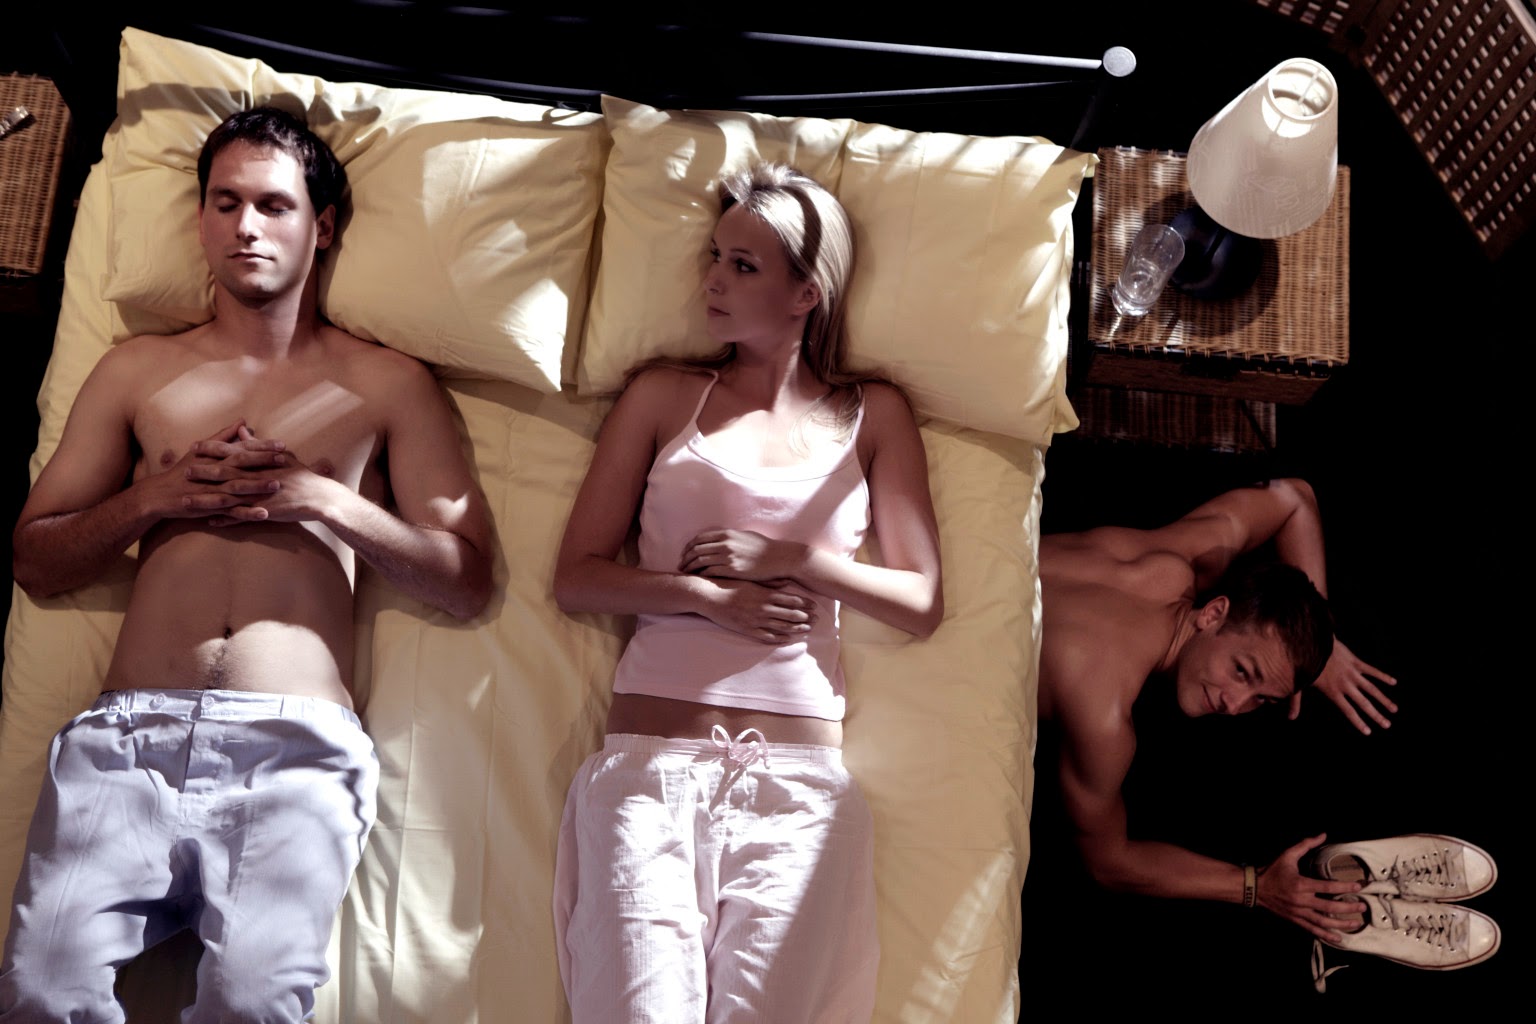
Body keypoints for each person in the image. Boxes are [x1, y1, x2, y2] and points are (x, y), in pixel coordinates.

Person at [0, 107, 493, 1020]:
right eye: (225, 204)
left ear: (323, 226)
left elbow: (464, 578)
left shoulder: (387, 382)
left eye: (273, 205)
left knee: (255, 1003)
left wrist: (327, 502)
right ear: (200, 221)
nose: (246, 227)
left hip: (296, 755)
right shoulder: (136, 370)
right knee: (38, 994)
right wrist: (154, 498)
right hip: (128, 745)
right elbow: (34, 558)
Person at [551, 163, 942, 1022]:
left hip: (797, 791)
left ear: (807, 293)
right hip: (650, 773)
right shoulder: (663, 397)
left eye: (742, 266)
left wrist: (791, 556)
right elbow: (577, 576)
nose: (712, 281)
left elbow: (920, 600)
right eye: (713, 257)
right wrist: (705, 597)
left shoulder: (872, 415)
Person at [1037, 477, 1397, 942]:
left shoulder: (1173, 558)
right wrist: (1258, 888)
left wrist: (1314, 645)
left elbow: (1293, 499)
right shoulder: (1104, 718)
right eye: (1243, 671)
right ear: (1213, 614)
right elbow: (1109, 862)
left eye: (1262, 699)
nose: (1233, 704)